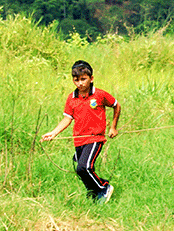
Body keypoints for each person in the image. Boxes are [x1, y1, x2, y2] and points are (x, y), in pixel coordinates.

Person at [41, 60, 121, 203]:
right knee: (80, 170)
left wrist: (113, 127)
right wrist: (53, 133)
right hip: (79, 139)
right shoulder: (71, 98)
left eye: (83, 79)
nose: (80, 83)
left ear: (91, 78)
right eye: (76, 80)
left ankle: (103, 188)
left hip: (95, 138)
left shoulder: (100, 95)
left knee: (84, 167)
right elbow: (67, 119)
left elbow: (116, 105)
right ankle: (93, 194)